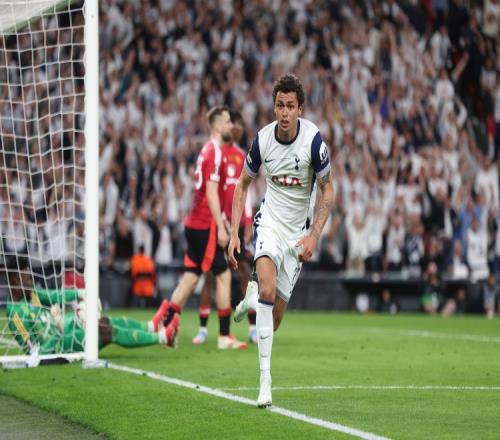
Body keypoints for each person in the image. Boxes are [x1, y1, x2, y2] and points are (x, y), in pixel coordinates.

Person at [228, 74, 334, 407]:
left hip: (297, 236)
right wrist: (233, 233)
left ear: (300, 109)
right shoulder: (262, 140)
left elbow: (328, 189)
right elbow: (242, 184)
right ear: (274, 107)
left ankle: (252, 298)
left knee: (272, 321)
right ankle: (265, 382)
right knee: (268, 291)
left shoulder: (313, 141)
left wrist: (314, 236)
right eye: (279, 105)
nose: (284, 112)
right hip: (270, 225)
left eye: (290, 106)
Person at [161, 106, 246, 349]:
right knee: (223, 276)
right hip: (204, 224)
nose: (231, 126)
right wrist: (221, 227)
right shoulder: (215, 152)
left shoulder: (206, 150)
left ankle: (166, 328)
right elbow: (211, 192)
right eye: (228, 121)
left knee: (190, 278)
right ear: (218, 126)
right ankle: (224, 336)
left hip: (194, 222)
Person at [5, 267, 177, 360]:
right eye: (27, 278)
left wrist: (81, 293)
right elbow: (36, 355)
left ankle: (151, 326)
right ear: (15, 281)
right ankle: (163, 337)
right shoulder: (16, 315)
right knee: (106, 331)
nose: (32, 281)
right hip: (60, 346)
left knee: (105, 320)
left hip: (67, 329)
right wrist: (58, 332)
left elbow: (55, 295)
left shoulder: (32, 294)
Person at [192, 110, 257, 345]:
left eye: (237, 125)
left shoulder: (240, 156)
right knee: (211, 274)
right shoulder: (217, 153)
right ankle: (202, 328)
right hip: (218, 223)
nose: (236, 128)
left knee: (245, 272)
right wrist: (220, 222)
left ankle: (252, 327)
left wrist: (247, 220)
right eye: (232, 124)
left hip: (236, 225)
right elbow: (212, 191)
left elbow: (245, 192)